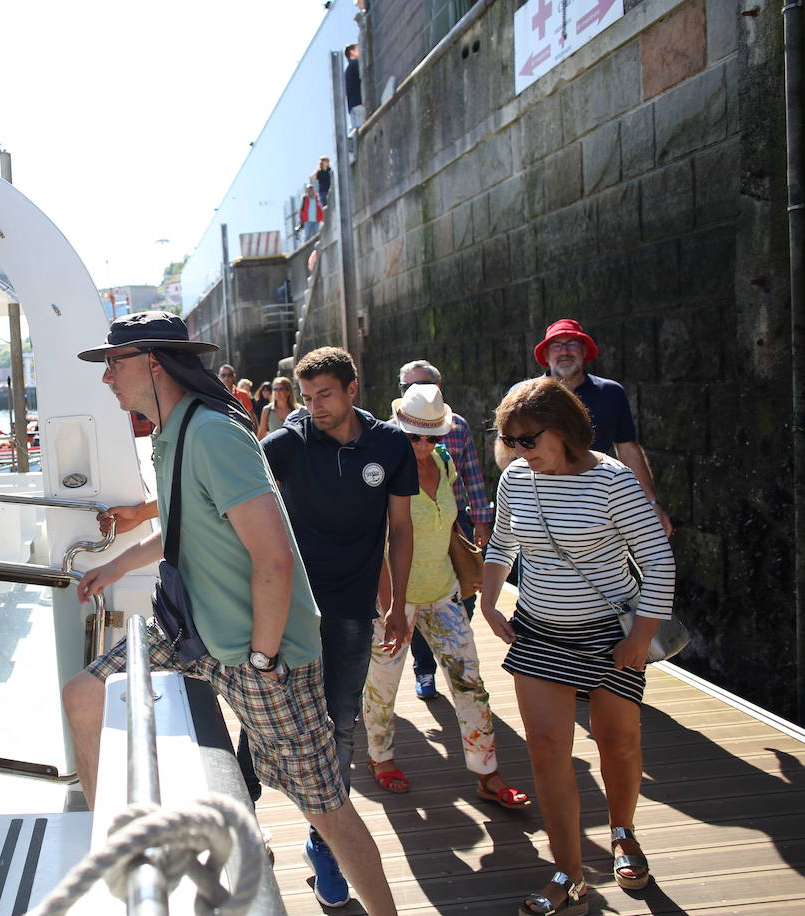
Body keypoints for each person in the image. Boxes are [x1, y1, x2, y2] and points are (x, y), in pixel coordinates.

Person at [65, 313, 398, 915]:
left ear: (153, 363)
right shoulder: (171, 431)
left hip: (259, 651)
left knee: (325, 806)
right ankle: (113, 860)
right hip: (195, 630)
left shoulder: (214, 433)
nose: (107, 377)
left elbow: (273, 556)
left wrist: (265, 656)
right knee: (84, 696)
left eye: (114, 362)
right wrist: (116, 567)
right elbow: (185, 523)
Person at [480, 377, 675, 916]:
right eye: (510, 441)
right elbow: (502, 541)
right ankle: (568, 872)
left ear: (563, 430)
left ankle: (623, 833)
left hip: (610, 636)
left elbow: (657, 559)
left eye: (528, 439)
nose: (519, 452)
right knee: (546, 750)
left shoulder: (613, 481)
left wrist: (641, 635)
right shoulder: (516, 479)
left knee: (619, 745)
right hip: (538, 632)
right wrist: (489, 601)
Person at [254, 346, 413, 905]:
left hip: (351, 611)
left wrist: (397, 603)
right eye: (306, 397)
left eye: (325, 394)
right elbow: (225, 498)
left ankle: (325, 846)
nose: (315, 407)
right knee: (273, 720)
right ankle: (258, 819)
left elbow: (401, 526)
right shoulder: (283, 447)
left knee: (340, 723)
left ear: (351, 390)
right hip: (289, 612)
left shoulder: (391, 445)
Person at [359, 384, 529, 808]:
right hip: (397, 599)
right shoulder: (379, 471)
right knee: (382, 686)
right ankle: (380, 758)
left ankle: (487, 774)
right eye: (413, 434)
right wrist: (389, 607)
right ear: (399, 426)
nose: (421, 445)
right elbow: (372, 541)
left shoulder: (445, 462)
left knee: (470, 683)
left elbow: (448, 525)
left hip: (444, 592)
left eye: (430, 436)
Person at [496, 319, 671, 537]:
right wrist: (523, 492)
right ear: (546, 354)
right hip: (541, 499)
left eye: (572, 344)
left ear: (584, 350)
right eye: (557, 346)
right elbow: (504, 448)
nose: (565, 352)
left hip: (598, 499)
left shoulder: (611, 393)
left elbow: (628, 450)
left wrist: (650, 502)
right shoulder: (522, 394)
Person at [396, 360, 493, 700]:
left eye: (420, 385)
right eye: (406, 388)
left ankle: (455, 664)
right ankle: (425, 668)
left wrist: (481, 521)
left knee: (463, 598)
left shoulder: (459, 427)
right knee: (419, 598)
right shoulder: (393, 430)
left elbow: (472, 475)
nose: (414, 392)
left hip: (453, 522)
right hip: (410, 529)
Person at [344, 45, 364, 130]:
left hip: (353, 109)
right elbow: (364, 75)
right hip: (359, 107)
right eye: (358, 48)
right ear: (352, 52)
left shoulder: (348, 70)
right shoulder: (355, 64)